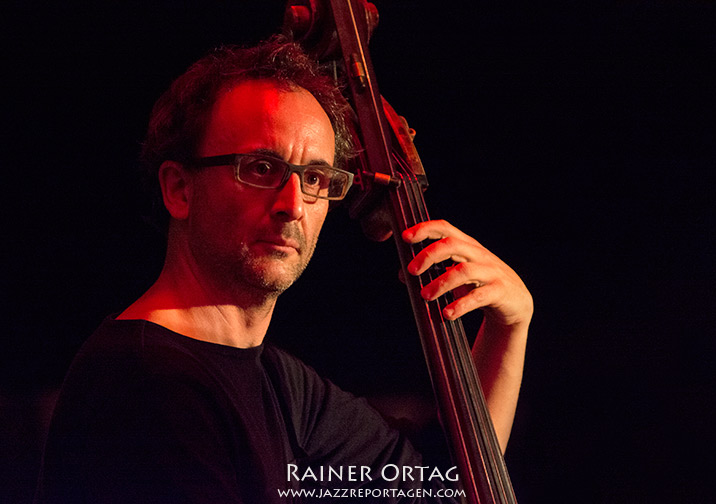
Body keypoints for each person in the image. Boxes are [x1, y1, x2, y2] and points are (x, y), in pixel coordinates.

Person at [35, 35, 533, 503]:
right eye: (260, 169)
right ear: (179, 190)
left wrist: (511, 324)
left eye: (315, 177)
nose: (293, 204)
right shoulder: (148, 387)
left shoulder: (277, 381)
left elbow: (438, 482)